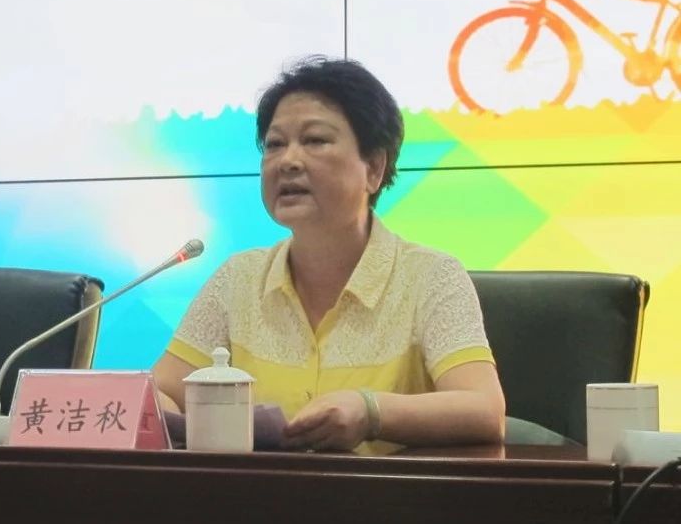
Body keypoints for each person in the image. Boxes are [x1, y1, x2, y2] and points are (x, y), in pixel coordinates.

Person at [153, 56, 505, 452]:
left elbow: (484, 410)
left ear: (374, 168)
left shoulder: (430, 276)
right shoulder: (239, 278)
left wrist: (369, 412)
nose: (288, 161)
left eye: (315, 140)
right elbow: (159, 393)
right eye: (275, 145)